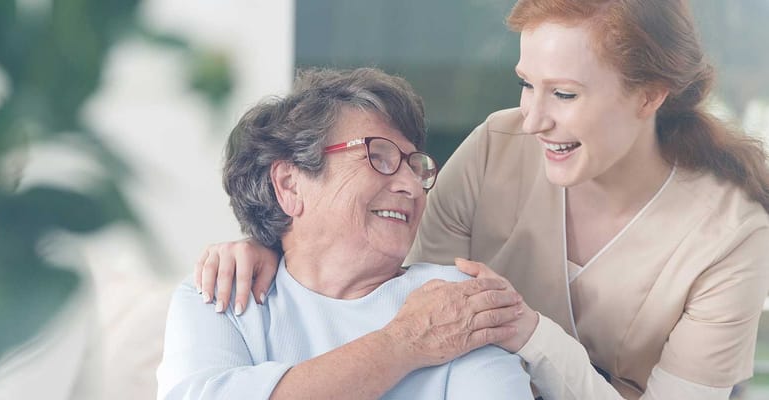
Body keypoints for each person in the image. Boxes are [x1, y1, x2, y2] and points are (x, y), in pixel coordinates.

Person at [192, 1, 769, 399]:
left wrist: (530, 333)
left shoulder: (730, 236)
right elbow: (388, 285)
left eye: (564, 93)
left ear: (649, 96)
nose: (533, 118)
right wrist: (278, 243)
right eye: (526, 83)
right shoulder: (500, 144)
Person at [156, 68, 534, 399]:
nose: (412, 187)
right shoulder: (222, 294)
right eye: (379, 157)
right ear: (290, 185)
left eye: (414, 165)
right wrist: (402, 343)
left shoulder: (456, 303)